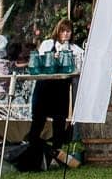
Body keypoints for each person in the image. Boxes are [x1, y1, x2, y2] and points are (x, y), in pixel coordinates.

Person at [24, 18, 84, 169]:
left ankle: (57, 155)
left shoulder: (75, 49)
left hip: (61, 89)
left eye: (68, 31)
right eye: (63, 30)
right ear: (58, 31)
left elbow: (80, 65)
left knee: (59, 121)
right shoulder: (47, 44)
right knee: (38, 120)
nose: (65, 34)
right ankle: (31, 153)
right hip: (44, 87)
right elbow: (40, 61)